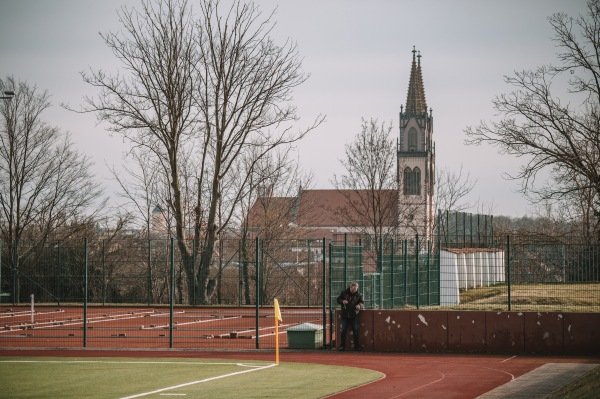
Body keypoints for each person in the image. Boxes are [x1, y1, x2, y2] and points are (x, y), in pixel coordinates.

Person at [336, 281, 364, 351]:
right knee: (343, 331)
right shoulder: (344, 292)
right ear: (351, 288)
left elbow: (362, 302)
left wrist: (359, 305)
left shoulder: (358, 294)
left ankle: (356, 346)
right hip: (345, 315)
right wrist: (343, 301)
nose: (355, 290)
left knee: (355, 330)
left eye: (356, 289)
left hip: (354, 315)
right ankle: (342, 346)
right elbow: (338, 299)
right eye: (354, 289)